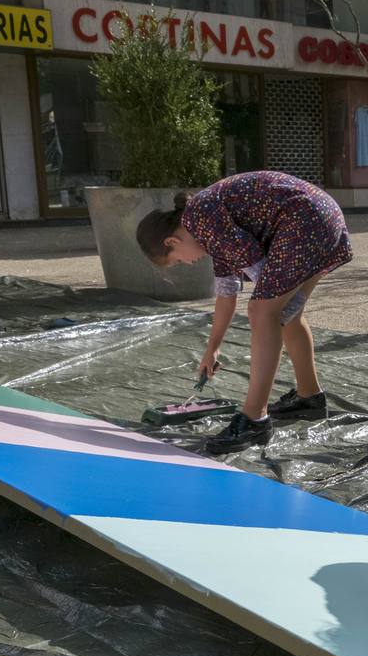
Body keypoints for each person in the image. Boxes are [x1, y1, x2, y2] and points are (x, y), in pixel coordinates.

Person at [135, 171, 353, 454]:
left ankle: (254, 420)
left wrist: (275, 308)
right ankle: (309, 397)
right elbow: (227, 294)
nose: (188, 263)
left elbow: (263, 281)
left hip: (306, 219)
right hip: (318, 215)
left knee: (263, 311)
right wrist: (212, 348)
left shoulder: (200, 219)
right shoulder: (206, 228)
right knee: (284, 314)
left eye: (178, 261)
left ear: (171, 242)